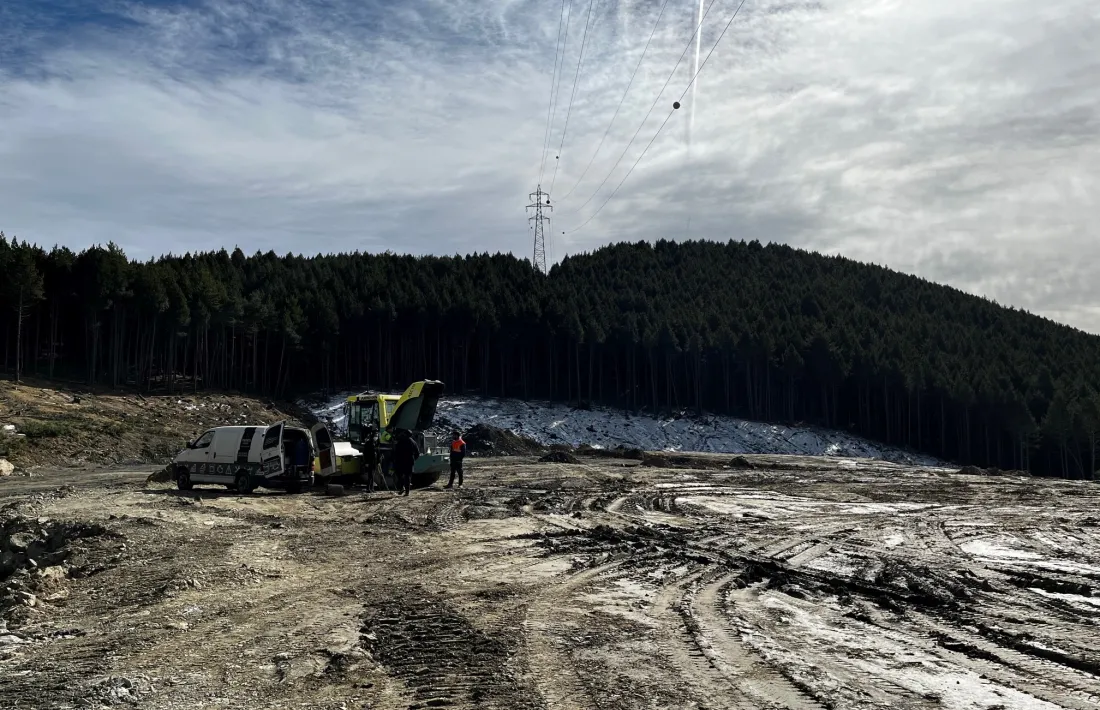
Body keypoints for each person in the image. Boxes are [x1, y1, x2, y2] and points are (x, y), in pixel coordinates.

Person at [392, 429, 420, 497]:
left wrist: (395, 460)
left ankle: (401, 488)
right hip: (409, 461)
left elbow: (396, 452)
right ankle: (407, 492)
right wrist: (413, 459)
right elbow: (417, 453)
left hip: (400, 461)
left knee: (399, 475)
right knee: (408, 476)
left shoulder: (400, 441)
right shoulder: (413, 442)